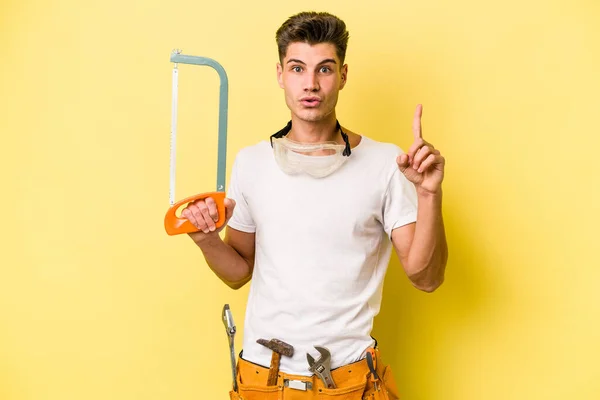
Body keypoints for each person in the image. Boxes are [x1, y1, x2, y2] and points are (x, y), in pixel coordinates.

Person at [182, 11, 448, 400]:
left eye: (324, 69)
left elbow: (427, 278)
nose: (310, 84)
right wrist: (205, 239)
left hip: (347, 383)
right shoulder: (251, 163)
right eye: (297, 68)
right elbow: (239, 271)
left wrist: (429, 194)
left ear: (342, 75)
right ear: (280, 75)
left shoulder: (385, 164)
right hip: (262, 381)